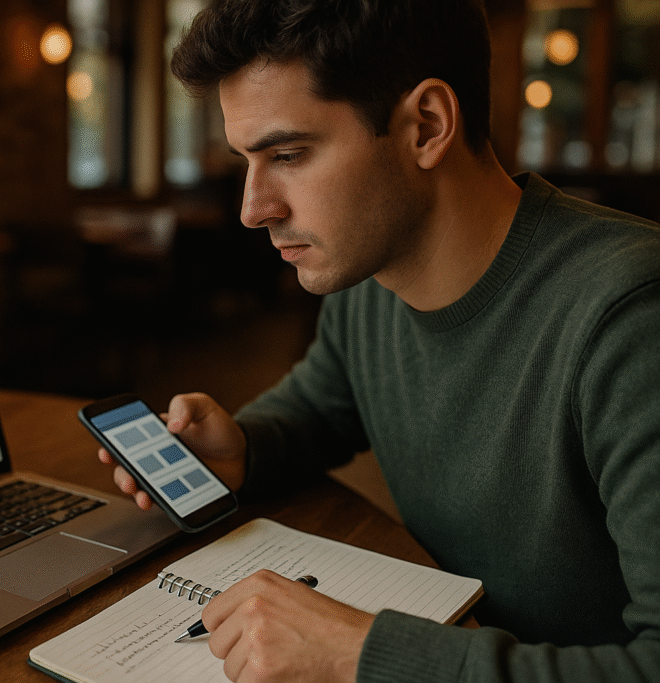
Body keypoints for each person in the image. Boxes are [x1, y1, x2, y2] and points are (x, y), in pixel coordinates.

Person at [97, 1, 660, 681]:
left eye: (288, 154)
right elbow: (320, 405)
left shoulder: (631, 319)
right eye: (247, 159)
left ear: (426, 126)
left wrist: (358, 653)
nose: (253, 207)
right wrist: (244, 447)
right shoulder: (370, 281)